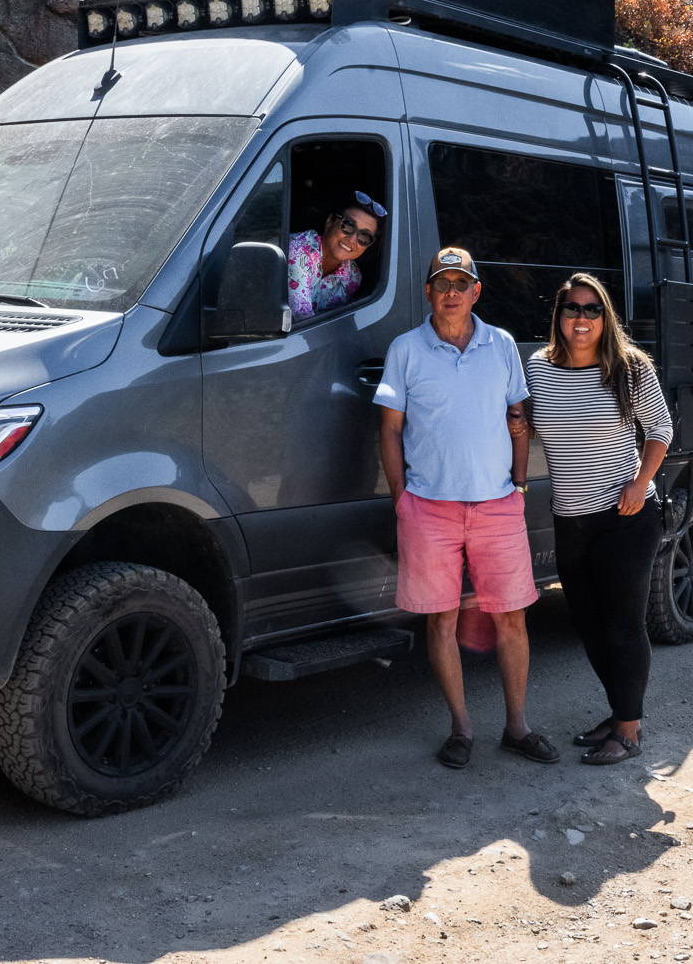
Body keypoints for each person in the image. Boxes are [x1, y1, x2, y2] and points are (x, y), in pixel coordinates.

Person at [375, 246, 557, 769]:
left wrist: (519, 487)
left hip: (498, 505)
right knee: (442, 623)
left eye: (461, 283)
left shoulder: (500, 344)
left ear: (476, 291)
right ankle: (461, 729)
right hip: (428, 508)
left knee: (512, 619)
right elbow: (389, 428)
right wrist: (401, 500)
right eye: (442, 283)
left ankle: (517, 727)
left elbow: (517, 416)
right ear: (428, 292)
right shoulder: (406, 349)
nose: (451, 292)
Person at [519, 273, 673, 767]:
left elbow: (661, 429)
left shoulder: (629, 369)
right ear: (558, 317)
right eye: (571, 309)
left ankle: (628, 729)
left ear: (605, 317)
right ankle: (618, 712)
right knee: (587, 623)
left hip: (625, 514)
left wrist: (639, 481)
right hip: (571, 517)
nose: (580, 319)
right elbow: (528, 426)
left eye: (591, 310)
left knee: (624, 624)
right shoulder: (539, 370)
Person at [287, 191, 386, 320]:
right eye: (348, 225)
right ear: (330, 222)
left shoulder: (353, 277)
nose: (352, 239)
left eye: (364, 237)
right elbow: (302, 319)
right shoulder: (299, 251)